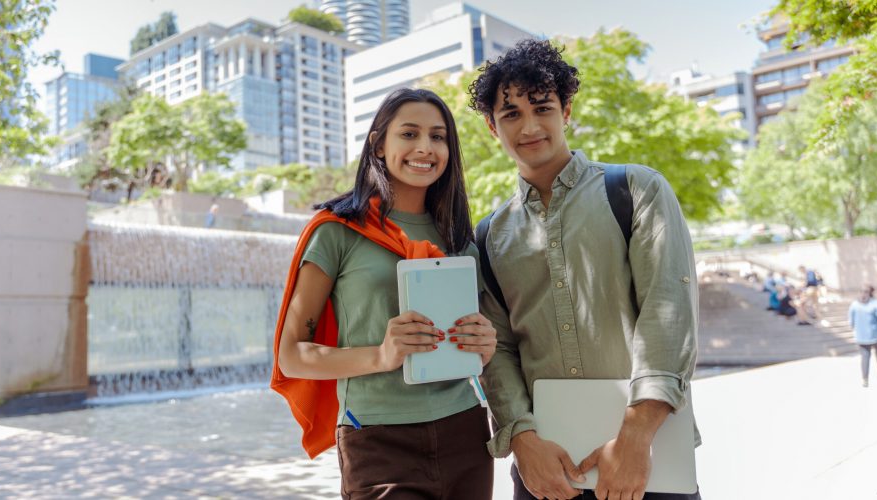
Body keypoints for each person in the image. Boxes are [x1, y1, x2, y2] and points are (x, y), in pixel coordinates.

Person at [468, 39, 700, 500]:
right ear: (493, 127)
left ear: (567, 111)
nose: (529, 125)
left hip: (649, 458)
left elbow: (668, 313)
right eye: (511, 114)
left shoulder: (637, 190)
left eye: (542, 107)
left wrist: (635, 437)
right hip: (545, 472)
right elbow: (497, 350)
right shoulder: (489, 235)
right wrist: (521, 440)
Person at [270, 88, 498, 499]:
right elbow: (291, 354)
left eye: (438, 136)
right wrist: (381, 355)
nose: (425, 148)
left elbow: (471, 346)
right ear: (379, 143)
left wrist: (484, 343)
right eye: (409, 134)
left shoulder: (462, 244)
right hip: (377, 436)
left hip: (465, 429)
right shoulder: (336, 231)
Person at [847, 285, 877, 387]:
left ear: (869, 293)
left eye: (865, 291)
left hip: (865, 336)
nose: (863, 294)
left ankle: (871, 379)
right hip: (875, 335)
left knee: (869, 358)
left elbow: (851, 322)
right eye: (862, 291)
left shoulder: (855, 305)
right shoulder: (876, 304)